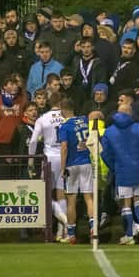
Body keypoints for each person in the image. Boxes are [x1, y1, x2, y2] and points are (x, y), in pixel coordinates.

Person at [101, 104, 139, 245]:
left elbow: (105, 154)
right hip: (138, 169)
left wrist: (113, 167)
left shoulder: (109, 132)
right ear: (130, 113)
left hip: (121, 169)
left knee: (125, 203)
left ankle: (129, 235)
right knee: (138, 199)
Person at [28, 92, 68, 241]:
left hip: (49, 159)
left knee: (44, 194)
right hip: (65, 157)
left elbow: (33, 142)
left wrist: (30, 161)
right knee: (61, 193)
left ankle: (65, 221)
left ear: (50, 102)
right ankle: (61, 232)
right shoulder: (66, 116)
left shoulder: (42, 119)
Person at [58, 98, 93, 244]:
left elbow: (64, 147)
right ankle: (93, 229)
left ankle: (71, 234)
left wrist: (62, 167)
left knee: (71, 199)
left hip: (72, 164)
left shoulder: (64, 126)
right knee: (88, 197)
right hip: (86, 162)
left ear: (62, 110)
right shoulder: (84, 120)